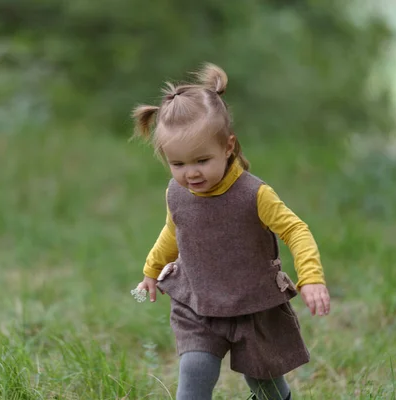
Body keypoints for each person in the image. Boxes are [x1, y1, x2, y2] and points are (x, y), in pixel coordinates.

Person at [132, 63, 331, 400]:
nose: (190, 173)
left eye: (201, 160)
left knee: (265, 383)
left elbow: (296, 230)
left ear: (228, 147)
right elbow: (174, 230)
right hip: (198, 303)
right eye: (178, 164)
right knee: (195, 370)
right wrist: (151, 270)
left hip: (253, 305)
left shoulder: (254, 195)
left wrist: (311, 276)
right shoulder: (176, 192)